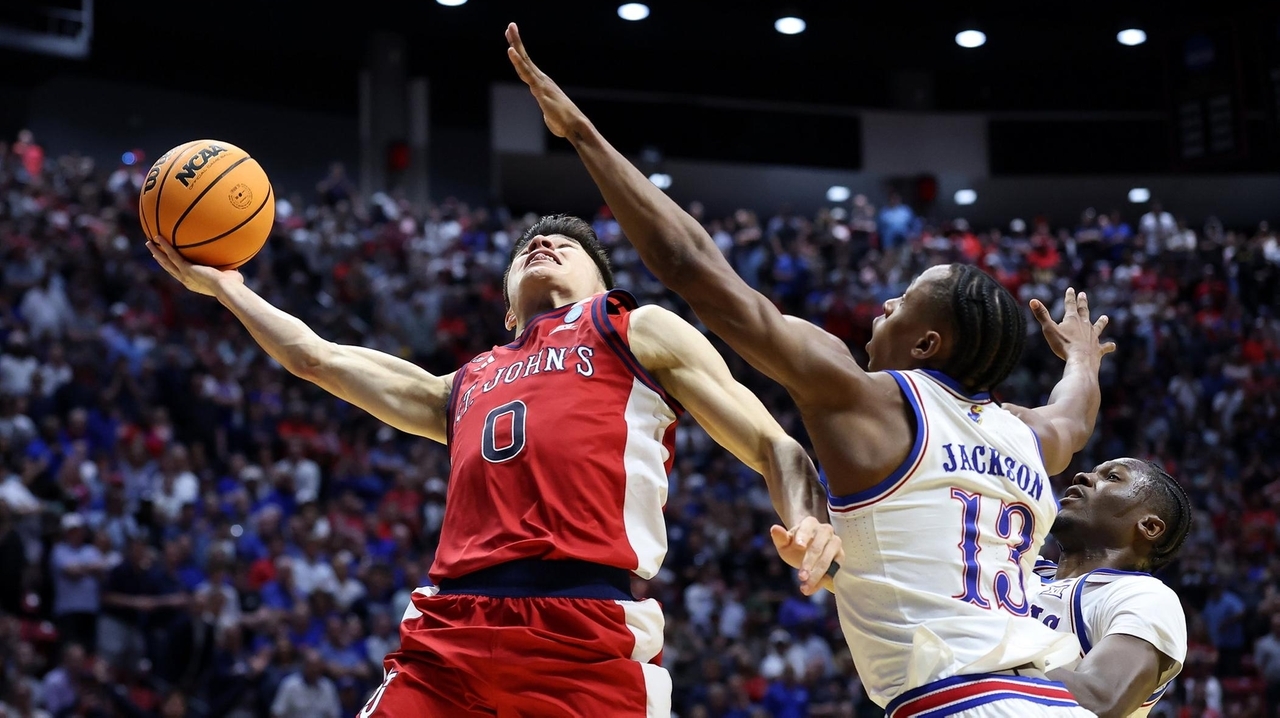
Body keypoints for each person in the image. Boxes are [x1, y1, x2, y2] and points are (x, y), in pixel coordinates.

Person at [507, 23, 1113, 715]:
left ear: (926, 345)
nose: (885, 304)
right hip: (1051, 697)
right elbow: (1076, 414)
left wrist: (583, 132)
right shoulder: (1030, 436)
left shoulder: (869, 400)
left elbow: (694, 272)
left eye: (904, 301)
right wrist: (1085, 360)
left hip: (963, 702)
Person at [146, 203, 840, 715]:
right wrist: (228, 289)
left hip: (582, 633)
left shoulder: (634, 328)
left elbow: (772, 443)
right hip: (451, 632)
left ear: (603, 285)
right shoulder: (463, 381)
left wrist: (808, 518)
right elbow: (314, 358)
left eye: (568, 245)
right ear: (507, 308)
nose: (544, 242)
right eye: (529, 247)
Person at [1029, 459, 1192, 717]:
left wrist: (977, 650)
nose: (1082, 476)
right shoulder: (1017, 570)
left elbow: (1100, 698)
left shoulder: (1144, 596)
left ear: (1149, 526)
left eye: (1113, 477)